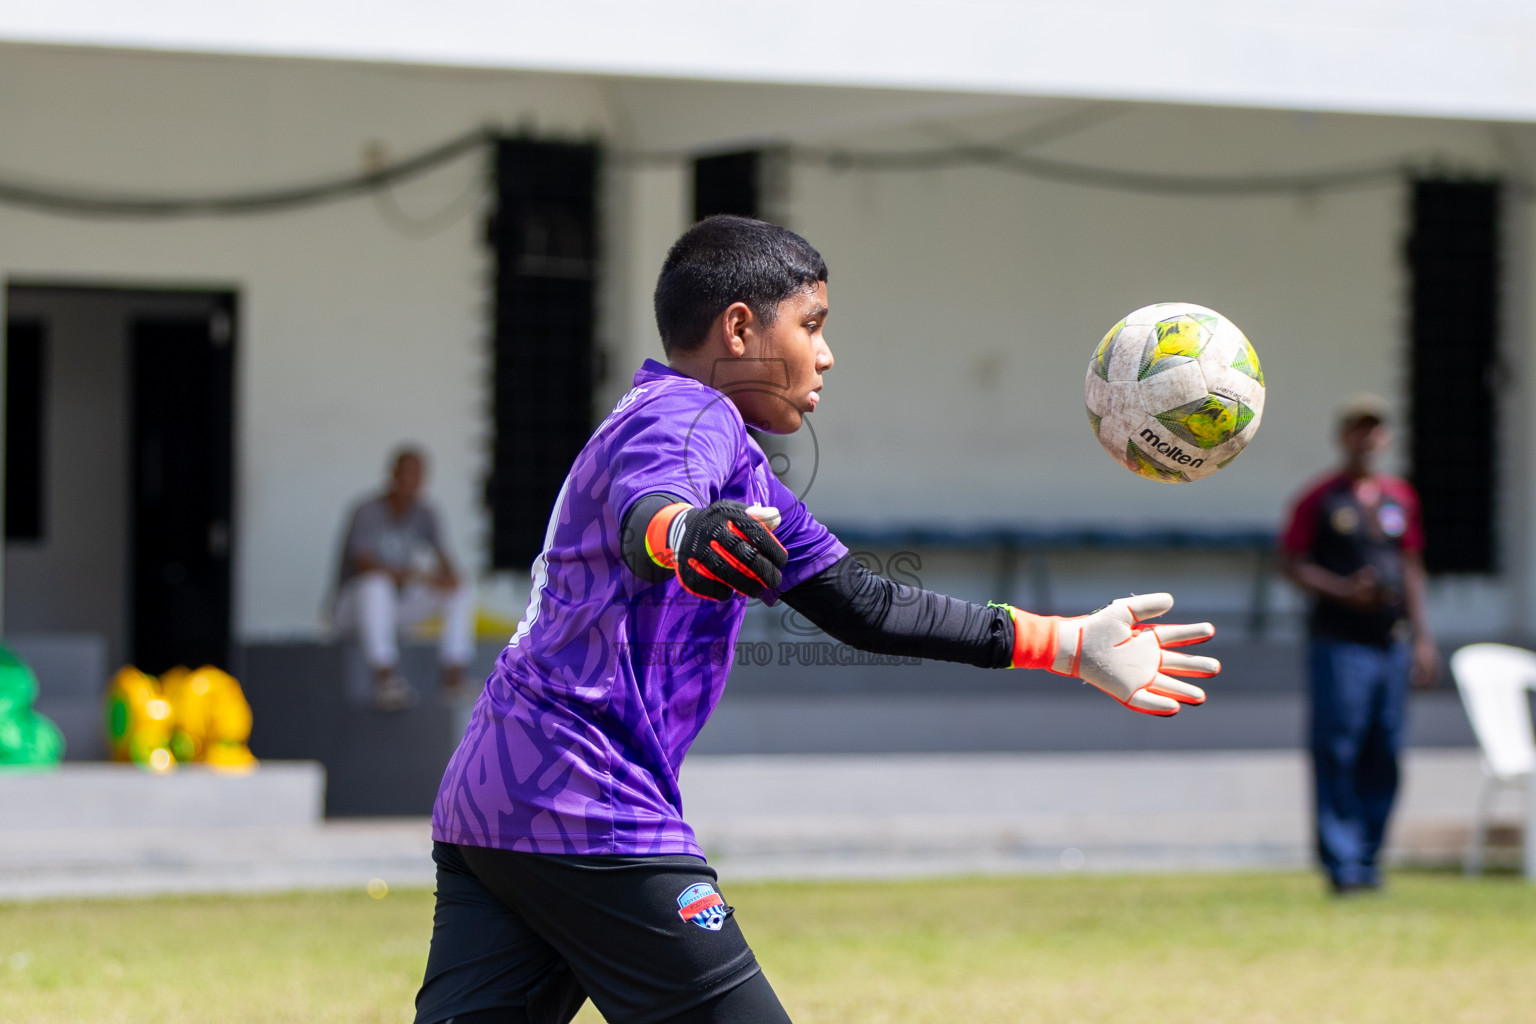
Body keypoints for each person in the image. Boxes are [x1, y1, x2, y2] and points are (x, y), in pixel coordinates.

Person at [413, 216, 1221, 1024]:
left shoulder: (732, 462)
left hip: (490, 795)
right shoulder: (686, 416)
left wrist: (1067, 642)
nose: (826, 355)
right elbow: (648, 512)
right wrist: (682, 533)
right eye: (812, 325)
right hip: (585, 799)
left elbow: (864, 606)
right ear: (739, 328)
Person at [1279, 395, 1438, 895]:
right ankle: (1341, 864)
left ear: (1384, 438)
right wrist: (1346, 591)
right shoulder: (1320, 498)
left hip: (1390, 643)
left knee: (1384, 748)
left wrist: (1423, 638)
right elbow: (1292, 564)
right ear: (1343, 436)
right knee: (1337, 746)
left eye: (1375, 430)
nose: (1367, 439)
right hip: (1339, 642)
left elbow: (1411, 566)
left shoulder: (1399, 498)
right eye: (1358, 430)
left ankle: (1370, 859)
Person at [333, 447, 474, 711]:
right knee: (377, 584)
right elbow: (363, 564)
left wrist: (446, 578)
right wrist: (416, 575)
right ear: (392, 475)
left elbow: (447, 565)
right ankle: (386, 680)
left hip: (394, 609)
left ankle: (453, 679)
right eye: (406, 473)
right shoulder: (367, 511)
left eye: (418, 475)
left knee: (461, 590)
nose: (411, 481)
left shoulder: (425, 514)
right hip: (352, 609)